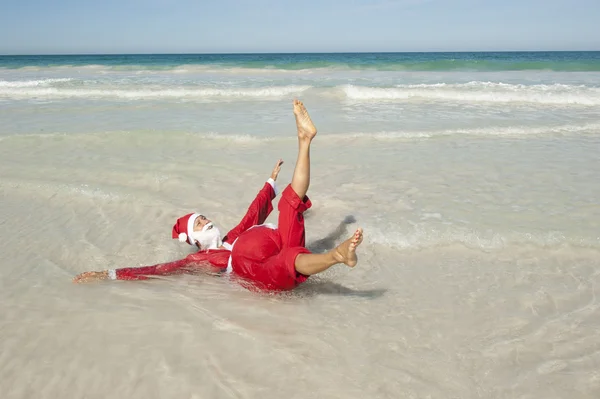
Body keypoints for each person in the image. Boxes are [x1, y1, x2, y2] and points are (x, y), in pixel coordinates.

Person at [73, 100, 364, 291]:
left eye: (203, 217)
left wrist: (270, 182)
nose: (205, 221)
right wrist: (108, 274)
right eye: (198, 224)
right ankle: (336, 256)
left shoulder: (234, 235)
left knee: (291, 201)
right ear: (194, 240)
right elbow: (159, 269)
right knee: (287, 260)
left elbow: (256, 212)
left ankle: (305, 140)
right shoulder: (204, 259)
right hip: (259, 268)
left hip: (281, 239)